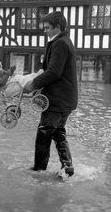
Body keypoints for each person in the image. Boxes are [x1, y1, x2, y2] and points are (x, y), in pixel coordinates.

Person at [24, 11, 78, 176]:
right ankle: (68, 168)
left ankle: (39, 171)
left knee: (44, 133)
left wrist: (33, 84)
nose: (45, 30)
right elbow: (51, 69)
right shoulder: (63, 41)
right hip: (65, 99)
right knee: (58, 131)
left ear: (58, 27)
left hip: (57, 100)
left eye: (47, 28)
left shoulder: (60, 43)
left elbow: (54, 72)